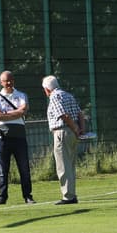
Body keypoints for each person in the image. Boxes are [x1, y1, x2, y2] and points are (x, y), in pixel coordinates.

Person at [0, 70, 33, 205]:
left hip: (19, 137)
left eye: (10, 80)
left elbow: (23, 110)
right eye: (5, 81)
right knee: (3, 170)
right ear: (1, 82)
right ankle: (2, 196)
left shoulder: (21, 95)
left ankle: (28, 196)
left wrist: (6, 113)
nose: (8, 83)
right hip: (2, 137)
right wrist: (16, 113)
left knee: (24, 168)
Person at [42, 75, 83, 204]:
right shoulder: (68, 95)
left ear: (47, 89)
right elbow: (80, 114)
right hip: (72, 132)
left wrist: (75, 128)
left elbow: (63, 115)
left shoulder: (54, 97)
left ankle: (68, 196)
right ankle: (72, 193)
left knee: (63, 165)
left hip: (62, 132)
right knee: (70, 165)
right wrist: (81, 129)